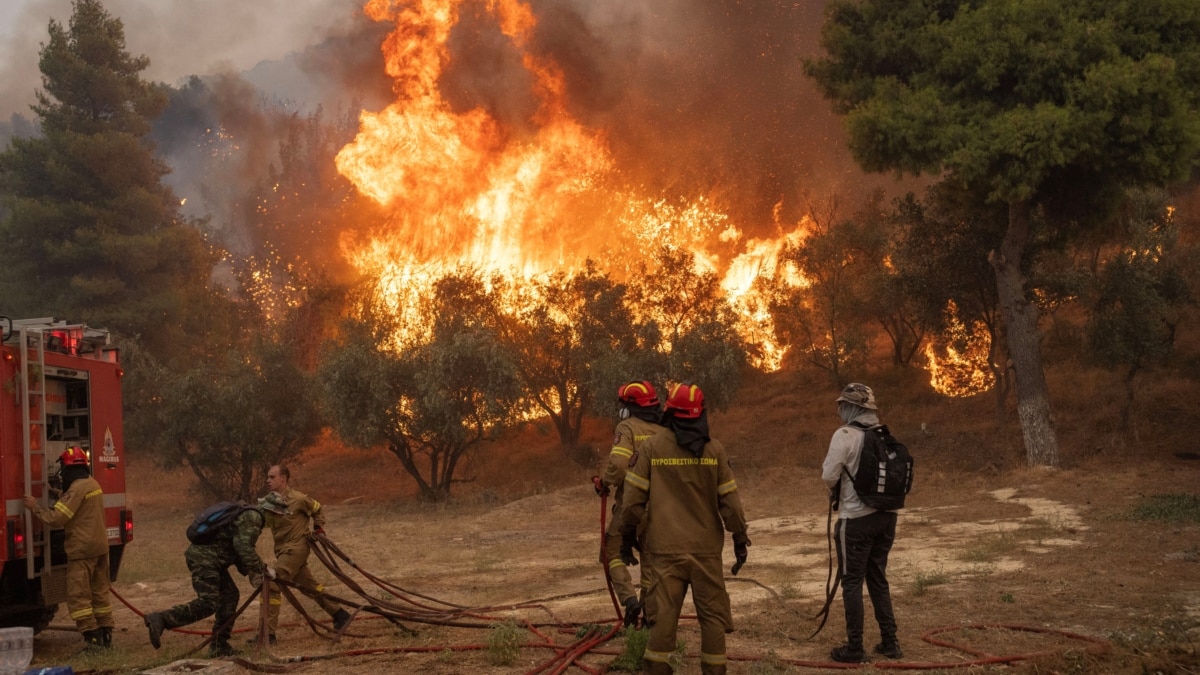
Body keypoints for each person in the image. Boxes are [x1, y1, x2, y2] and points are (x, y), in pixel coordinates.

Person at [620, 382, 750, 675]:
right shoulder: (714, 450)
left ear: (669, 411)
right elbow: (731, 505)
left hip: (665, 552)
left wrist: (626, 536)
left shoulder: (651, 448)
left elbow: (632, 502)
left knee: (663, 619)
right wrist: (740, 538)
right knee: (713, 618)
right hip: (706, 552)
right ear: (701, 413)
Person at [822, 382, 902, 663]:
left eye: (842, 404)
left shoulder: (844, 435)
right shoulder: (883, 435)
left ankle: (855, 648)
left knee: (852, 582)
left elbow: (828, 476)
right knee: (878, 579)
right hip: (886, 518)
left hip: (855, 521)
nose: (840, 409)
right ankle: (890, 642)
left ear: (852, 407)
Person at [143, 503, 274, 657]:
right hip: (205, 559)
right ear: (272, 512)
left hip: (213, 560)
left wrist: (251, 573)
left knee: (230, 596)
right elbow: (243, 548)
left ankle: (219, 645)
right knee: (208, 602)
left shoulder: (248, 515)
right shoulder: (254, 517)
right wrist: (262, 569)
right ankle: (162, 619)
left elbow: (234, 546)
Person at [22, 446, 114, 649]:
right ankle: (106, 635)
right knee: (100, 593)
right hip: (100, 548)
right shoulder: (92, 483)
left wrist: (35, 507)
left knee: (78, 597)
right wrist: (56, 492)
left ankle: (91, 640)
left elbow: (57, 518)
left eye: (64, 470)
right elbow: (76, 500)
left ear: (69, 469)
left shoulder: (76, 489)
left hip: (82, 550)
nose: (63, 475)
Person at [595, 380, 666, 628]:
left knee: (611, 552)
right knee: (649, 558)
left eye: (623, 405)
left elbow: (618, 464)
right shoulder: (664, 430)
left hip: (633, 506)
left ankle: (630, 601)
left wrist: (604, 483)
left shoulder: (627, 427)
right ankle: (648, 613)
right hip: (660, 508)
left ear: (630, 407)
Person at [254, 464, 350, 643]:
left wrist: (319, 527)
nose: (268, 480)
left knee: (272, 584)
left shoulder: (298, 499)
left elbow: (317, 508)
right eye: (267, 477)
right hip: (283, 551)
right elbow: (257, 521)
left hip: (297, 549)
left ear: (283, 479)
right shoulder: (268, 503)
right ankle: (340, 614)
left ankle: (267, 634)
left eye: (272, 477)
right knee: (310, 587)